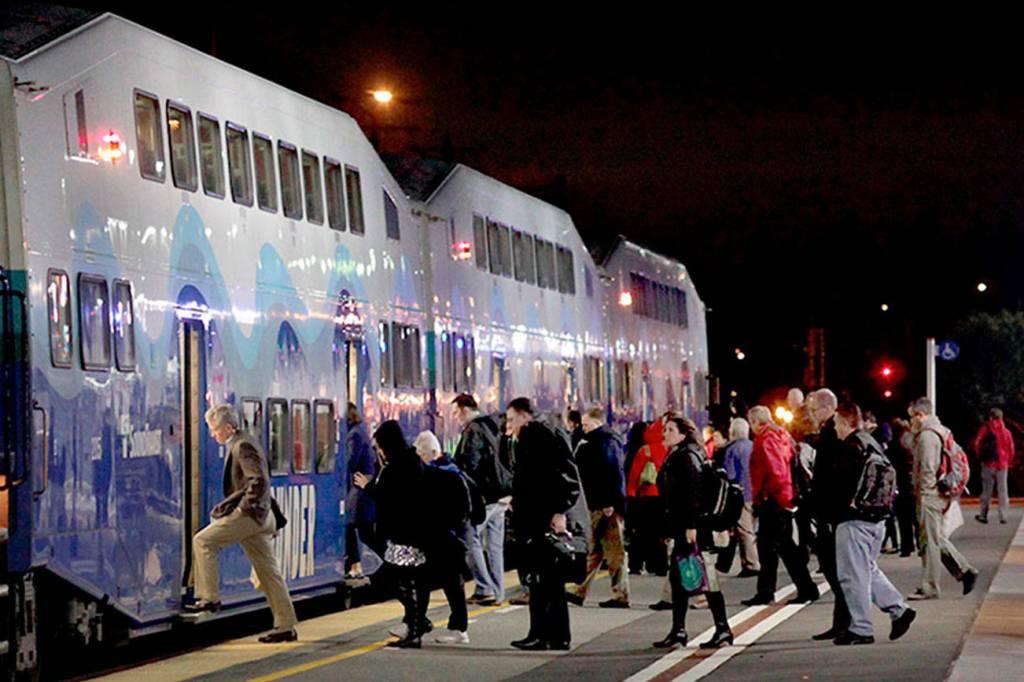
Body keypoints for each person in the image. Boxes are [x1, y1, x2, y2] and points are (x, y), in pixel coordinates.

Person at [188, 405, 297, 643]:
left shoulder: (242, 446)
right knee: (269, 572)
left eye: (215, 430)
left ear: (228, 427)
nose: (213, 435)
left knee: (203, 541)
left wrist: (242, 510)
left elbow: (258, 481)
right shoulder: (244, 441)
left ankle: (209, 598)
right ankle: (285, 625)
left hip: (252, 516)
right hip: (261, 516)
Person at [831, 402, 916, 645]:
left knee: (853, 575)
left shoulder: (850, 448)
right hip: (877, 517)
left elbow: (841, 485)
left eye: (837, 423)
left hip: (854, 519)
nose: (835, 428)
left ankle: (861, 628)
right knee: (867, 569)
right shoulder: (871, 443)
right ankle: (899, 609)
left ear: (845, 422)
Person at [507, 397, 586, 651]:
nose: (509, 426)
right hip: (538, 515)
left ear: (524, 416)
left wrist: (559, 510)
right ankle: (557, 636)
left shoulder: (538, 436)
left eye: (512, 420)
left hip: (539, 518)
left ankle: (541, 634)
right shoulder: (544, 433)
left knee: (541, 579)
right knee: (549, 580)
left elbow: (560, 477)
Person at [652, 416, 734, 650]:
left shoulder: (687, 456)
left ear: (683, 433)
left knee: (704, 577)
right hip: (684, 526)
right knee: (680, 579)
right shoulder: (681, 453)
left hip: (693, 528)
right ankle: (679, 630)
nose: (665, 434)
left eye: (670, 430)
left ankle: (721, 629)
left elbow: (692, 492)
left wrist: (691, 526)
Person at [357, 421, 432, 648]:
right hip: (412, 534)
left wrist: (368, 486)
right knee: (406, 580)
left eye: (379, 446)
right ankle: (417, 624)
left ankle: (417, 627)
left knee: (392, 580)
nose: (378, 451)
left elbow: (390, 496)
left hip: (404, 536)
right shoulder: (411, 461)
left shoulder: (396, 466)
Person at [742, 405, 819, 607]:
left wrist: (767, 494)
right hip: (782, 496)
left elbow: (775, 471)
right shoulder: (781, 435)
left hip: (773, 498)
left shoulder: (766, 439)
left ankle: (792, 589)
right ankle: (789, 588)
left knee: (774, 547)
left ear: (755, 422)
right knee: (778, 546)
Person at [908, 397, 979, 600]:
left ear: (920, 415)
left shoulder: (927, 436)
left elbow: (927, 469)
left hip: (929, 495)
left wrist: (922, 494)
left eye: (912, 417)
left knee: (929, 542)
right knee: (936, 537)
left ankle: (930, 586)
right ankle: (965, 571)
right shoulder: (941, 431)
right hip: (937, 493)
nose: (911, 421)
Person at [414, 431, 474, 645]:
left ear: (430, 453)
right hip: (448, 537)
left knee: (443, 582)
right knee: (441, 582)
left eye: (421, 455)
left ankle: (454, 627)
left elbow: (457, 508)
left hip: (446, 538)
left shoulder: (442, 474)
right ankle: (418, 622)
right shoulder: (451, 471)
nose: (420, 459)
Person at [567, 407, 630, 608]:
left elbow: (612, 472)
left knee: (613, 550)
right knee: (594, 548)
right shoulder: (594, 440)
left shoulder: (606, 441)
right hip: (595, 503)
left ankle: (620, 595)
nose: (583, 427)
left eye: (586, 424)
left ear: (597, 423)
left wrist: (610, 502)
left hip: (605, 505)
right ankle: (580, 590)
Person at [452, 393, 509, 606]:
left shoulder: (473, 430)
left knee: (470, 538)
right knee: (495, 547)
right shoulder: (494, 426)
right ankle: (498, 592)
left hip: (484, 497)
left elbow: (470, 464)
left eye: (456, 413)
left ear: (465, 410)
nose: (455, 418)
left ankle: (485, 588)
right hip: (501, 495)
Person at [803, 388, 850, 640]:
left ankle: (846, 621)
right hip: (827, 509)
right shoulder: (828, 431)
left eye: (813, 409)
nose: (810, 414)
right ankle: (841, 620)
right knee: (833, 567)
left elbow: (830, 474)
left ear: (826, 408)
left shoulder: (833, 433)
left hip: (830, 511)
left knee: (835, 567)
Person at [627, 419, 669, 577]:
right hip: (663, 498)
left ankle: (636, 564)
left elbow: (634, 476)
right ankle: (660, 565)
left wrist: (631, 494)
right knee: (659, 534)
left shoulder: (645, 450)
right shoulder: (668, 449)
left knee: (641, 532)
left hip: (646, 497)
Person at [722, 417, 760, 577]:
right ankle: (754, 561)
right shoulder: (755, 446)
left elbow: (729, 474)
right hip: (757, 492)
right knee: (754, 528)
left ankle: (752, 563)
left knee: (745, 530)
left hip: (742, 494)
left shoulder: (732, 449)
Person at [345, 403, 378, 578]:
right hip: (361, 488)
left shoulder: (354, 434)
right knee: (362, 530)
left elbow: (351, 461)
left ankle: (355, 565)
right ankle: (355, 564)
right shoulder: (360, 431)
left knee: (351, 525)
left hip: (360, 489)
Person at [973, 407, 1015, 525]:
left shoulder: (985, 429)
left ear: (990, 417)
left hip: (988, 464)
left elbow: (977, 444)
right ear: (1001, 418)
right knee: (1003, 490)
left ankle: (983, 515)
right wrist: (1008, 461)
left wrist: (981, 458)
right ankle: (1003, 515)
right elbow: (1011, 449)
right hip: (1002, 464)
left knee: (987, 490)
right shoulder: (1007, 432)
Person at [890, 418, 919, 557]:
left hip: (902, 483)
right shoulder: (913, 440)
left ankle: (907, 546)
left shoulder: (895, 443)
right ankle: (921, 544)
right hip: (914, 482)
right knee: (916, 517)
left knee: (903, 518)